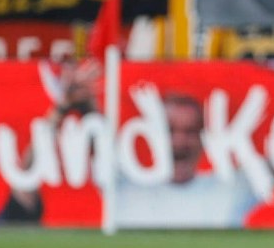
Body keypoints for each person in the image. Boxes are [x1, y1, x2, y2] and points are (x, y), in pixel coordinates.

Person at [109, 90, 258, 229]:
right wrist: (86, 104)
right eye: (169, 130)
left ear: (204, 138)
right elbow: (99, 144)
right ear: (149, 134)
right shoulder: (124, 184)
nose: (180, 141)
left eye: (191, 131)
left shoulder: (230, 189)